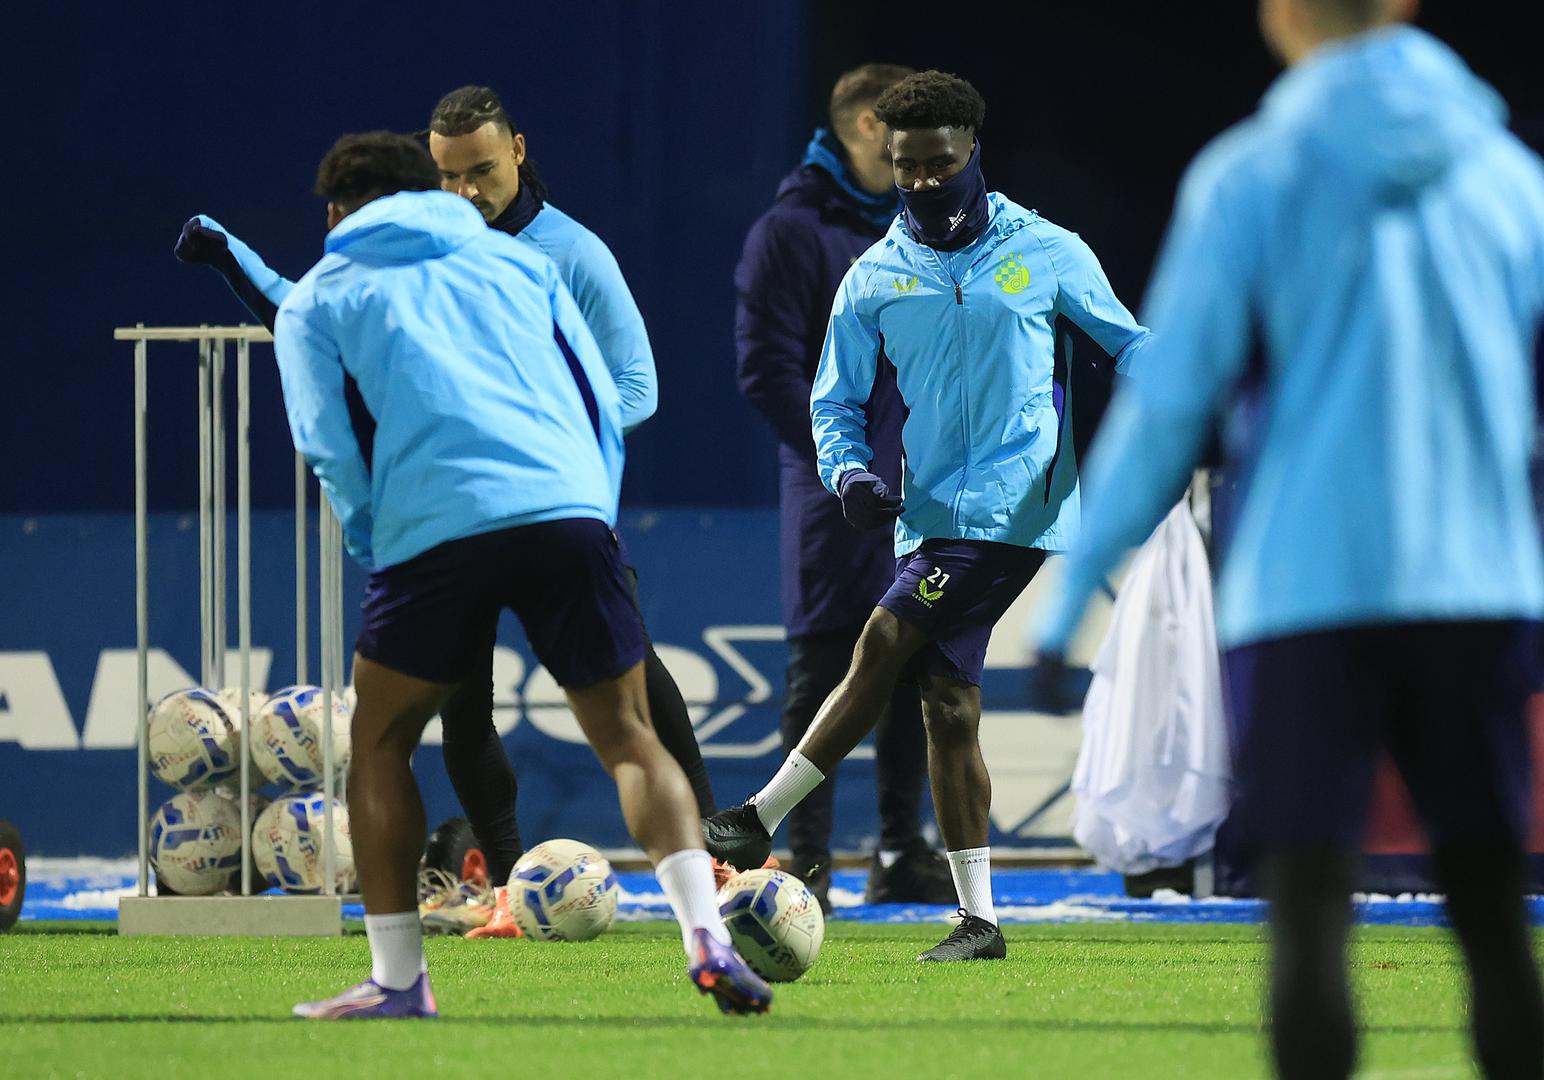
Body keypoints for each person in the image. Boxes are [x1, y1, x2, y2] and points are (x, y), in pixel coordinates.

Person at [1032, 2, 1544, 1075]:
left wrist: (1073, 593)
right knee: (1495, 919)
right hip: (1480, 583)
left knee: (1307, 916)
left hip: (1305, 588)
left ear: (1278, 15)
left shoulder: (1249, 176)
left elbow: (1171, 401)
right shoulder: (1509, 179)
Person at [175, 85, 717, 937]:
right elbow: (317, 315)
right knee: (488, 713)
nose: (467, 192)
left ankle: (712, 856)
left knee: (610, 693)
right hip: (545, 505)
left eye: (483, 172)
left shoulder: (566, 253)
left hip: (482, 512)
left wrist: (564, 469)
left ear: (520, 151)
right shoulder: (445, 262)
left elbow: (632, 385)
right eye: (449, 177)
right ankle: (516, 886)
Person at [277, 131, 769, 1019]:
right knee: (630, 738)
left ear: (335, 213)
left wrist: (372, 539)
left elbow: (327, 446)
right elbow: (597, 393)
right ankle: (708, 935)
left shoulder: (316, 297)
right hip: (566, 512)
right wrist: (591, 504)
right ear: (429, 192)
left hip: (434, 525)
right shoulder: (518, 264)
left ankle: (398, 982)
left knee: (382, 743)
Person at [704, 70, 1151, 961]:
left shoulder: (1048, 250)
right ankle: (980, 921)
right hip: (930, 513)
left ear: (972, 150)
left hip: (1018, 506)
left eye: (938, 164)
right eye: (905, 166)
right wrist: (848, 474)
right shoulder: (875, 275)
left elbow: (1129, 344)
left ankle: (759, 816)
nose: (920, 181)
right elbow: (833, 402)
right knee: (946, 706)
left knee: (881, 638)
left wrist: (1203, 384)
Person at [734, 61, 954, 911]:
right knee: (827, 666)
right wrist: (844, 463)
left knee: (915, 663)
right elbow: (766, 371)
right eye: (905, 139)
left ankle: (901, 850)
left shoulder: (924, 230)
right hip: (835, 500)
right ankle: (808, 859)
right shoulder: (789, 233)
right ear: (870, 127)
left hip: (924, 488)